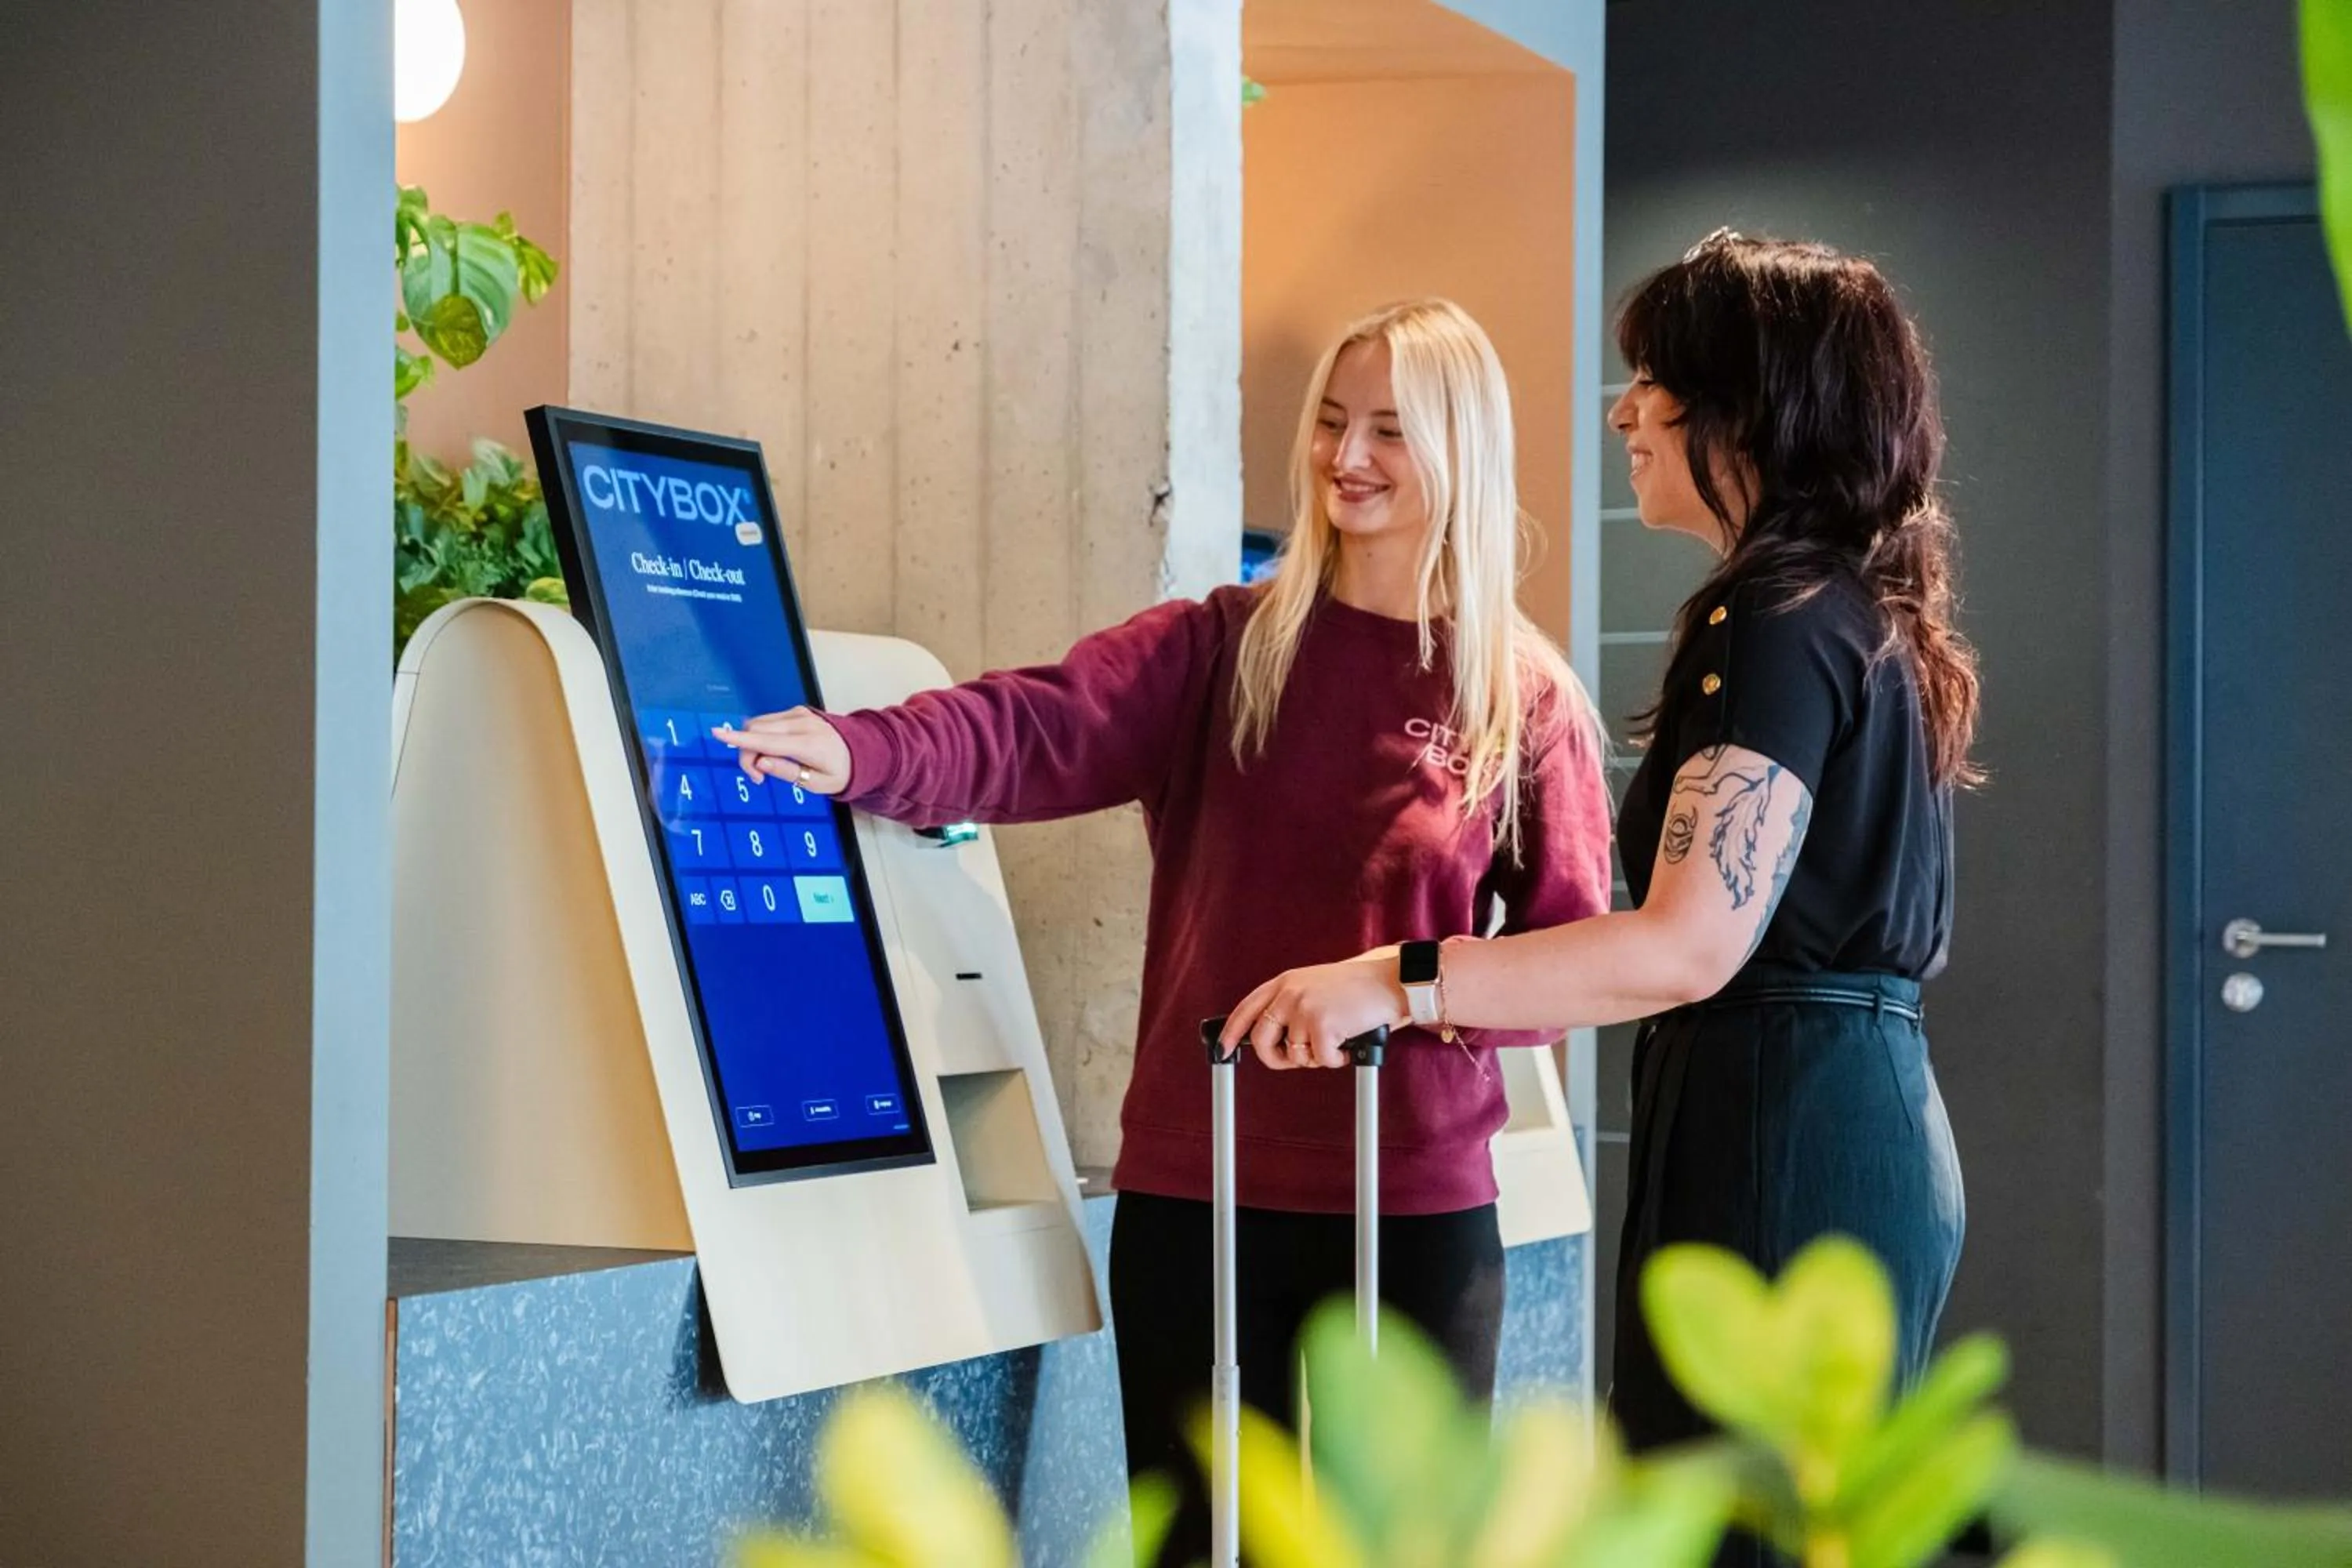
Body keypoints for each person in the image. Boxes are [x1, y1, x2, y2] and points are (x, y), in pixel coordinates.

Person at [713, 299, 1613, 1565]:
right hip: (1206, 1188)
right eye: (1332, 423)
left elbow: (1571, 960)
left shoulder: (1522, 700)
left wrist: (1417, 995)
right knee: (1195, 1542)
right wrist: (861, 749)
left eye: (1389, 431)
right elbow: (1031, 727)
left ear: (1462, 448)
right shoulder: (1222, 650)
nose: (1346, 457)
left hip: (1412, 1199)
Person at [1221, 233, 1976, 1558]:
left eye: (1656, 382)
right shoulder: (1843, 608)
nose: (1626, 414)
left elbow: (1683, 944)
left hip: (1783, 1126)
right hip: (1840, 1108)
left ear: (1748, 406)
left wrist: (1392, 979)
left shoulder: (1777, 617)